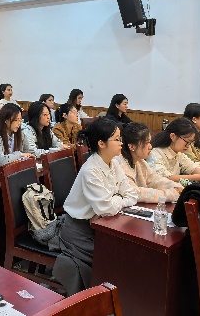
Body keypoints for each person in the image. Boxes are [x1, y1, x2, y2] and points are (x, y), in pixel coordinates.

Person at [53, 118, 137, 296]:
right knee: (113, 258)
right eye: (117, 139)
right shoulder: (90, 170)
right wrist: (116, 199)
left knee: (126, 252)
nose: (121, 143)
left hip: (101, 225)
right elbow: (105, 208)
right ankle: (101, 300)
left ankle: (118, 298)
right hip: (78, 231)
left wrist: (114, 201)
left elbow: (131, 194)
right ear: (101, 143)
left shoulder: (114, 163)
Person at [112, 122, 182, 203]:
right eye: (146, 143)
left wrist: (175, 186)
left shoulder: (140, 161)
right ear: (131, 146)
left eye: (150, 142)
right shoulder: (119, 163)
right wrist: (170, 194)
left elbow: (154, 179)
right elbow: (135, 193)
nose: (150, 147)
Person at [146, 118, 200, 186]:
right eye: (187, 142)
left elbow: (193, 168)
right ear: (173, 136)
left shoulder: (179, 154)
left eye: (190, 143)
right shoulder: (155, 154)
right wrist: (196, 177)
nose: (188, 146)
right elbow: (163, 179)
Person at [0, 103, 32, 168]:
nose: (19, 123)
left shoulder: (20, 134)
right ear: (5, 120)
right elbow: (0, 162)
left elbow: (28, 153)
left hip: (13, 169)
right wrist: (19, 154)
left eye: (20, 119)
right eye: (16, 120)